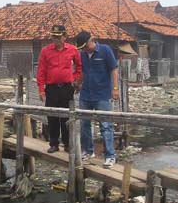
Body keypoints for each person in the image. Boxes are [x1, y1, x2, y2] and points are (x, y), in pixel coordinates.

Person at [74, 31, 119, 168]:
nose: (84, 49)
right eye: (82, 48)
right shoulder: (83, 55)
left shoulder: (105, 50)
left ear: (92, 40)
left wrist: (115, 88)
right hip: (86, 94)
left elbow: (114, 69)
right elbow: (83, 72)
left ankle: (110, 156)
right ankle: (88, 151)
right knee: (84, 124)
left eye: (85, 46)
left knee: (105, 125)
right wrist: (78, 83)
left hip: (102, 94)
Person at [36, 25, 82, 153]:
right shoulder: (45, 51)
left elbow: (79, 67)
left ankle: (67, 144)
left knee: (67, 117)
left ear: (64, 37)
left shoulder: (72, 50)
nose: (55, 39)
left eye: (58, 37)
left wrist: (75, 79)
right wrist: (41, 89)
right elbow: (41, 71)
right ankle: (54, 143)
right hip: (51, 88)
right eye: (53, 37)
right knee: (52, 116)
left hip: (67, 88)